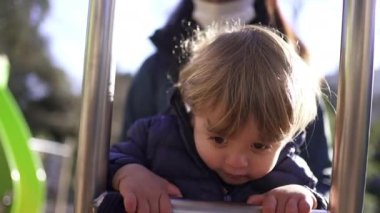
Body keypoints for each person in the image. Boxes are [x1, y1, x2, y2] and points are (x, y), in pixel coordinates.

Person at [121, 0, 332, 196]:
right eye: (218, 137)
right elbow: (122, 155)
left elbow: (320, 180)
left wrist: (300, 195)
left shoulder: (291, 75)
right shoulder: (156, 70)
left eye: (260, 145)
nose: (236, 163)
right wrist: (129, 173)